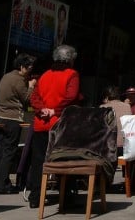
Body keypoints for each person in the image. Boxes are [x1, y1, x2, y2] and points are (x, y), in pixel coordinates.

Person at [27, 45, 81, 209]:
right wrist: (54, 110)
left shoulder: (44, 75)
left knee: (38, 161)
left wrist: (42, 109)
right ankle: (66, 195)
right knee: (65, 159)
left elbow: (34, 97)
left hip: (41, 124)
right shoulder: (72, 74)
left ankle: (35, 197)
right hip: (61, 124)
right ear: (70, 59)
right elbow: (71, 97)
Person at [0, 53, 35, 194]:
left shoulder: (6, 76)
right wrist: (31, 86)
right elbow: (27, 99)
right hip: (12, 119)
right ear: (21, 67)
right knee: (9, 152)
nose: (30, 71)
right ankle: (3, 184)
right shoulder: (18, 80)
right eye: (28, 68)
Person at [100, 85, 132, 150]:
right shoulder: (127, 106)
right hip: (124, 144)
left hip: (108, 146)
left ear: (106, 97)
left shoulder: (103, 107)